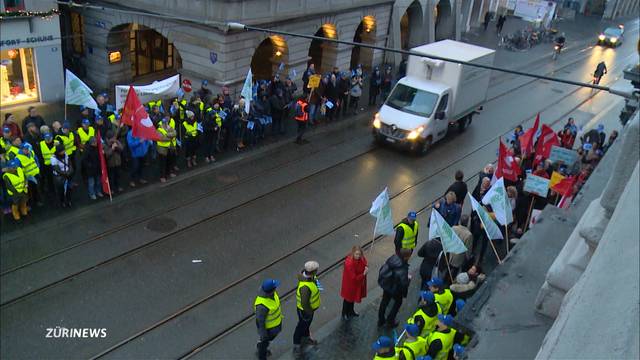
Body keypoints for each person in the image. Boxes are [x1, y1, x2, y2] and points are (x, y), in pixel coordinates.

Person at [377, 248, 412, 327]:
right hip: (395, 289)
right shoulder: (402, 268)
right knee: (398, 303)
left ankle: (381, 320)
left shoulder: (393, 258)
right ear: (407, 257)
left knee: (384, 301)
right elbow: (404, 283)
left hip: (387, 285)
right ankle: (390, 320)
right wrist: (408, 279)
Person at [293, 260, 321, 354]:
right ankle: (296, 343)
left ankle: (306, 337)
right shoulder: (305, 287)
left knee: (306, 325)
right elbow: (304, 303)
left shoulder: (311, 278)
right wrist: (309, 312)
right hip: (305, 311)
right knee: (301, 325)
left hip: (309, 310)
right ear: (313, 271)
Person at [254, 278, 282, 360]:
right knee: (264, 343)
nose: (276, 288)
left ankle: (261, 346)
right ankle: (262, 354)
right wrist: (263, 335)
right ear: (271, 290)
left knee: (267, 341)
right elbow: (260, 321)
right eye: (275, 287)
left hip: (275, 326)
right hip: (269, 329)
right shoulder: (262, 306)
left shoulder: (272, 294)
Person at [340, 246, 368, 319]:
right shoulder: (349, 263)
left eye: (359, 254)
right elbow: (354, 277)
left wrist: (366, 266)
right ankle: (344, 313)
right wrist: (363, 274)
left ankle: (351, 311)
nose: (358, 256)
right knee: (347, 299)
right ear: (353, 253)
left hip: (356, 284)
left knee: (352, 298)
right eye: (356, 254)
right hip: (349, 284)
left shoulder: (361, 259)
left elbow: (364, 262)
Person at [156, 117, 178, 183]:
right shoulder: (158, 129)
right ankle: (162, 176)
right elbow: (161, 138)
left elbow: (175, 133)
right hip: (162, 149)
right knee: (162, 163)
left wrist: (167, 134)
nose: (165, 124)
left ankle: (169, 172)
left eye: (166, 123)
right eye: (164, 123)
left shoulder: (168, 128)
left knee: (169, 161)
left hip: (169, 148)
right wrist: (170, 137)